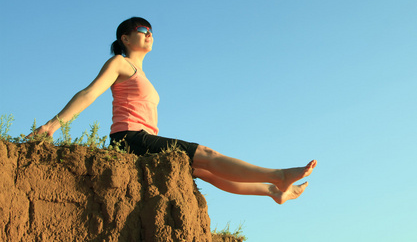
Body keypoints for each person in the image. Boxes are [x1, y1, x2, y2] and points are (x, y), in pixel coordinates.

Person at [31, 17, 317, 204]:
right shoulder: (119, 63)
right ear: (125, 38)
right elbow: (89, 93)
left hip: (143, 140)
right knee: (208, 154)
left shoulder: (144, 77)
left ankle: (271, 191)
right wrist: (52, 125)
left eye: (151, 32)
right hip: (129, 138)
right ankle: (278, 176)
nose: (149, 35)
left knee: (205, 170)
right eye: (142, 31)